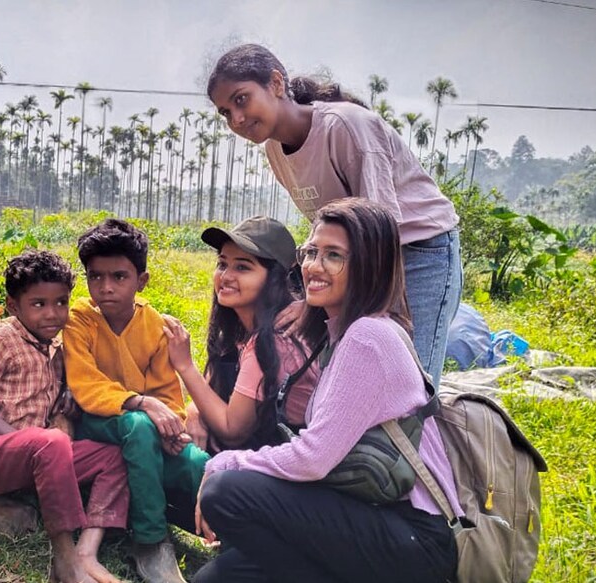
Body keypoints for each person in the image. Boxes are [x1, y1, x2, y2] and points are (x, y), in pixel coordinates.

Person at [192, 198, 461, 582]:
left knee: (225, 491)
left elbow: (313, 459)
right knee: (215, 579)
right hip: (368, 512)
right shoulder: (341, 333)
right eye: (311, 252)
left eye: (334, 256)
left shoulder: (368, 337)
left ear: (368, 265)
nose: (314, 266)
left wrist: (226, 462)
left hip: (413, 537)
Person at [207, 43, 463, 386]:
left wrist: (315, 305)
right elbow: (328, 228)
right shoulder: (275, 150)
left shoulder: (345, 126)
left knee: (411, 380)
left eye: (241, 99)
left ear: (276, 83)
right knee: (355, 372)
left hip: (416, 252)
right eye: (225, 112)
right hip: (357, 258)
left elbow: (381, 230)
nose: (236, 119)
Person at [0, 250, 128, 583]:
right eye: (38, 304)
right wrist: (25, 441)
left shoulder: (55, 347)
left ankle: (88, 548)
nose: (52, 314)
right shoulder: (3, 340)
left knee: (113, 457)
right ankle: (65, 556)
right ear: (13, 306)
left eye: (61, 302)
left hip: (41, 458)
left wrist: (64, 409)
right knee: (50, 442)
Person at [63, 218, 209, 583]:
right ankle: (150, 540)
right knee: (139, 426)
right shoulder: (79, 319)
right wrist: (141, 403)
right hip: (96, 422)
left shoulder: (155, 326)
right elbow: (85, 384)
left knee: (196, 463)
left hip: (144, 429)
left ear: (141, 281)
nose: (106, 287)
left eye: (119, 276)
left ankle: (236, 530)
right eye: (96, 276)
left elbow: (167, 395)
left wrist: (171, 428)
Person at [162, 216, 319, 453]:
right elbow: (210, 390)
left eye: (243, 267)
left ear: (276, 279)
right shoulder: (240, 333)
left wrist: (185, 366)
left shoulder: (274, 340)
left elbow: (232, 431)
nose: (226, 276)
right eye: (222, 264)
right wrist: (194, 411)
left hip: (285, 461)